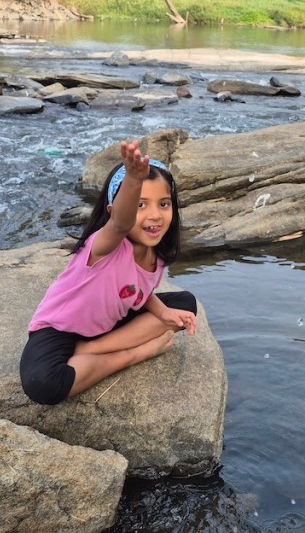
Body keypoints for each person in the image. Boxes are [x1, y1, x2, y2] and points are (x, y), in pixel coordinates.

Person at [20, 140, 197, 405]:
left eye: (163, 204)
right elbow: (120, 224)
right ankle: (136, 353)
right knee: (42, 385)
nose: (155, 215)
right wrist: (134, 180)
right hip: (62, 330)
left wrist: (163, 313)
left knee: (185, 305)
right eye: (140, 204)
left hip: (107, 326)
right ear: (115, 211)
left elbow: (137, 291)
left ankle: (91, 350)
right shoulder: (105, 245)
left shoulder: (156, 255)